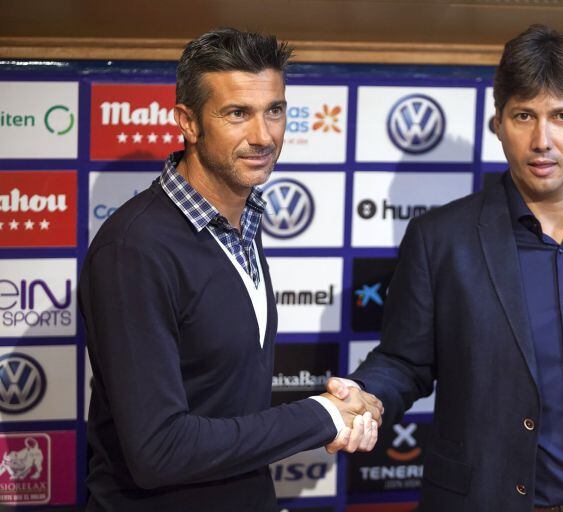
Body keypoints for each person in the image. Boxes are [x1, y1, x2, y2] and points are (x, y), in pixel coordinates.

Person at [328, 24, 563, 512]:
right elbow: (405, 362)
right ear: (497, 123)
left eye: (562, 116)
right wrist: (367, 395)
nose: (542, 139)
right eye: (523, 115)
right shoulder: (440, 239)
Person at [79, 28, 381, 511]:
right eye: (237, 114)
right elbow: (159, 450)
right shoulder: (133, 248)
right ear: (189, 122)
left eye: (274, 110)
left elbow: (222, 395)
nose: (263, 136)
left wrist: (340, 407)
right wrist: (322, 416)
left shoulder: (242, 223)